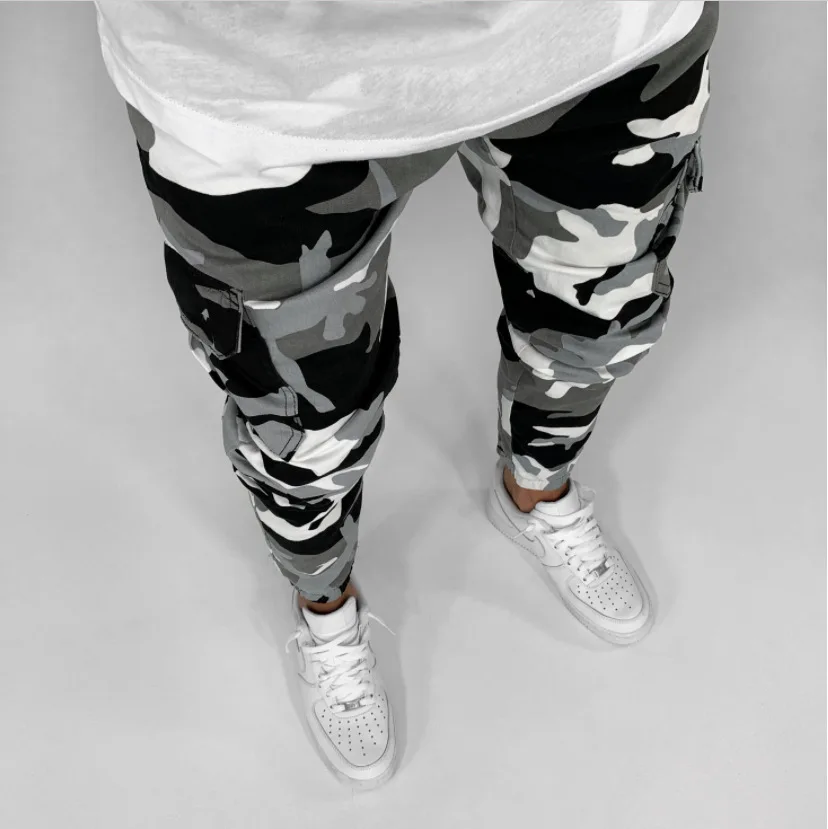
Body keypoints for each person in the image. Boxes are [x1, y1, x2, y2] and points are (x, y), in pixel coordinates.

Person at [93, 0, 719, 789]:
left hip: (600, 37)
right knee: (303, 423)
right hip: (261, 83)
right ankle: (325, 604)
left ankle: (537, 490)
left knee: (595, 321)